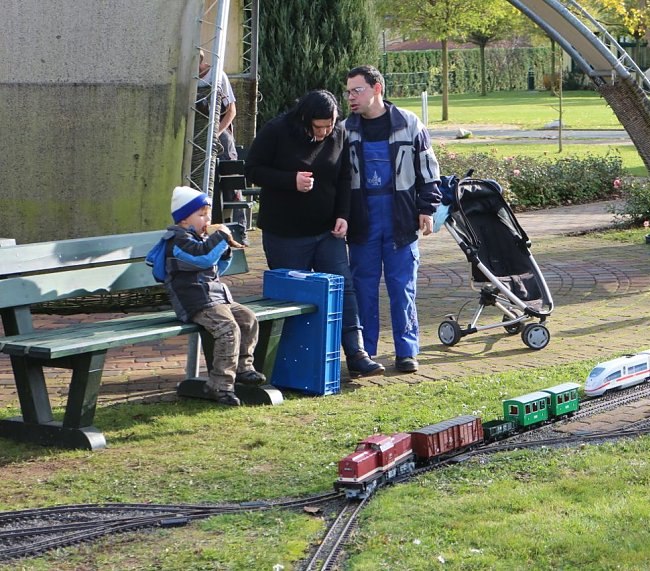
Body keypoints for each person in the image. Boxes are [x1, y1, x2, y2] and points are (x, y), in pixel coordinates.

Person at [244, 90, 384, 379]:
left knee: (344, 288)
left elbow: (345, 177)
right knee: (294, 299)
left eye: (329, 126)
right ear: (304, 119)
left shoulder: (339, 134)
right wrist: (289, 180)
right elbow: (252, 170)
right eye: (317, 127)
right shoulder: (276, 130)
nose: (323, 132)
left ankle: (357, 353)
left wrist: (343, 215)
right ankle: (295, 362)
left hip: (327, 232)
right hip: (285, 234)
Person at [343, 65, 442, 373]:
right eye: (347, 92)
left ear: (377, 89)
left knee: (402, 287)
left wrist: (427, 207)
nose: (350, 98)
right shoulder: (345, 129)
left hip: (400, 217)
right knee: (364, 289)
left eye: (356, 90)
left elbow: (428, 170)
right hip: (362, 219)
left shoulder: (409, 123)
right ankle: (366, 353)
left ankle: (407, 351)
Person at [162, 186, 266, 406]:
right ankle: (219, 385)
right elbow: (202, 259)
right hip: (195, 301)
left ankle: (243, 367)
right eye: (201, 215)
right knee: (228, 329)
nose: (207, 219)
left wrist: (225, 249)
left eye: (208, 213)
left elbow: (217, 267)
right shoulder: (178, 241)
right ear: (183, 220)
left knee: (248, 318)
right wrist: (219, 237)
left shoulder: (199, 238)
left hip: (215, 297)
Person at [198, 51, 248, 233]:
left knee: (231, 184)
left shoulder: (217, 75)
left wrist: (216, 132)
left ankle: (239, 230)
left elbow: (232, 110)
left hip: (220, 138)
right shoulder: (187, 77)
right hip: (196, 139)